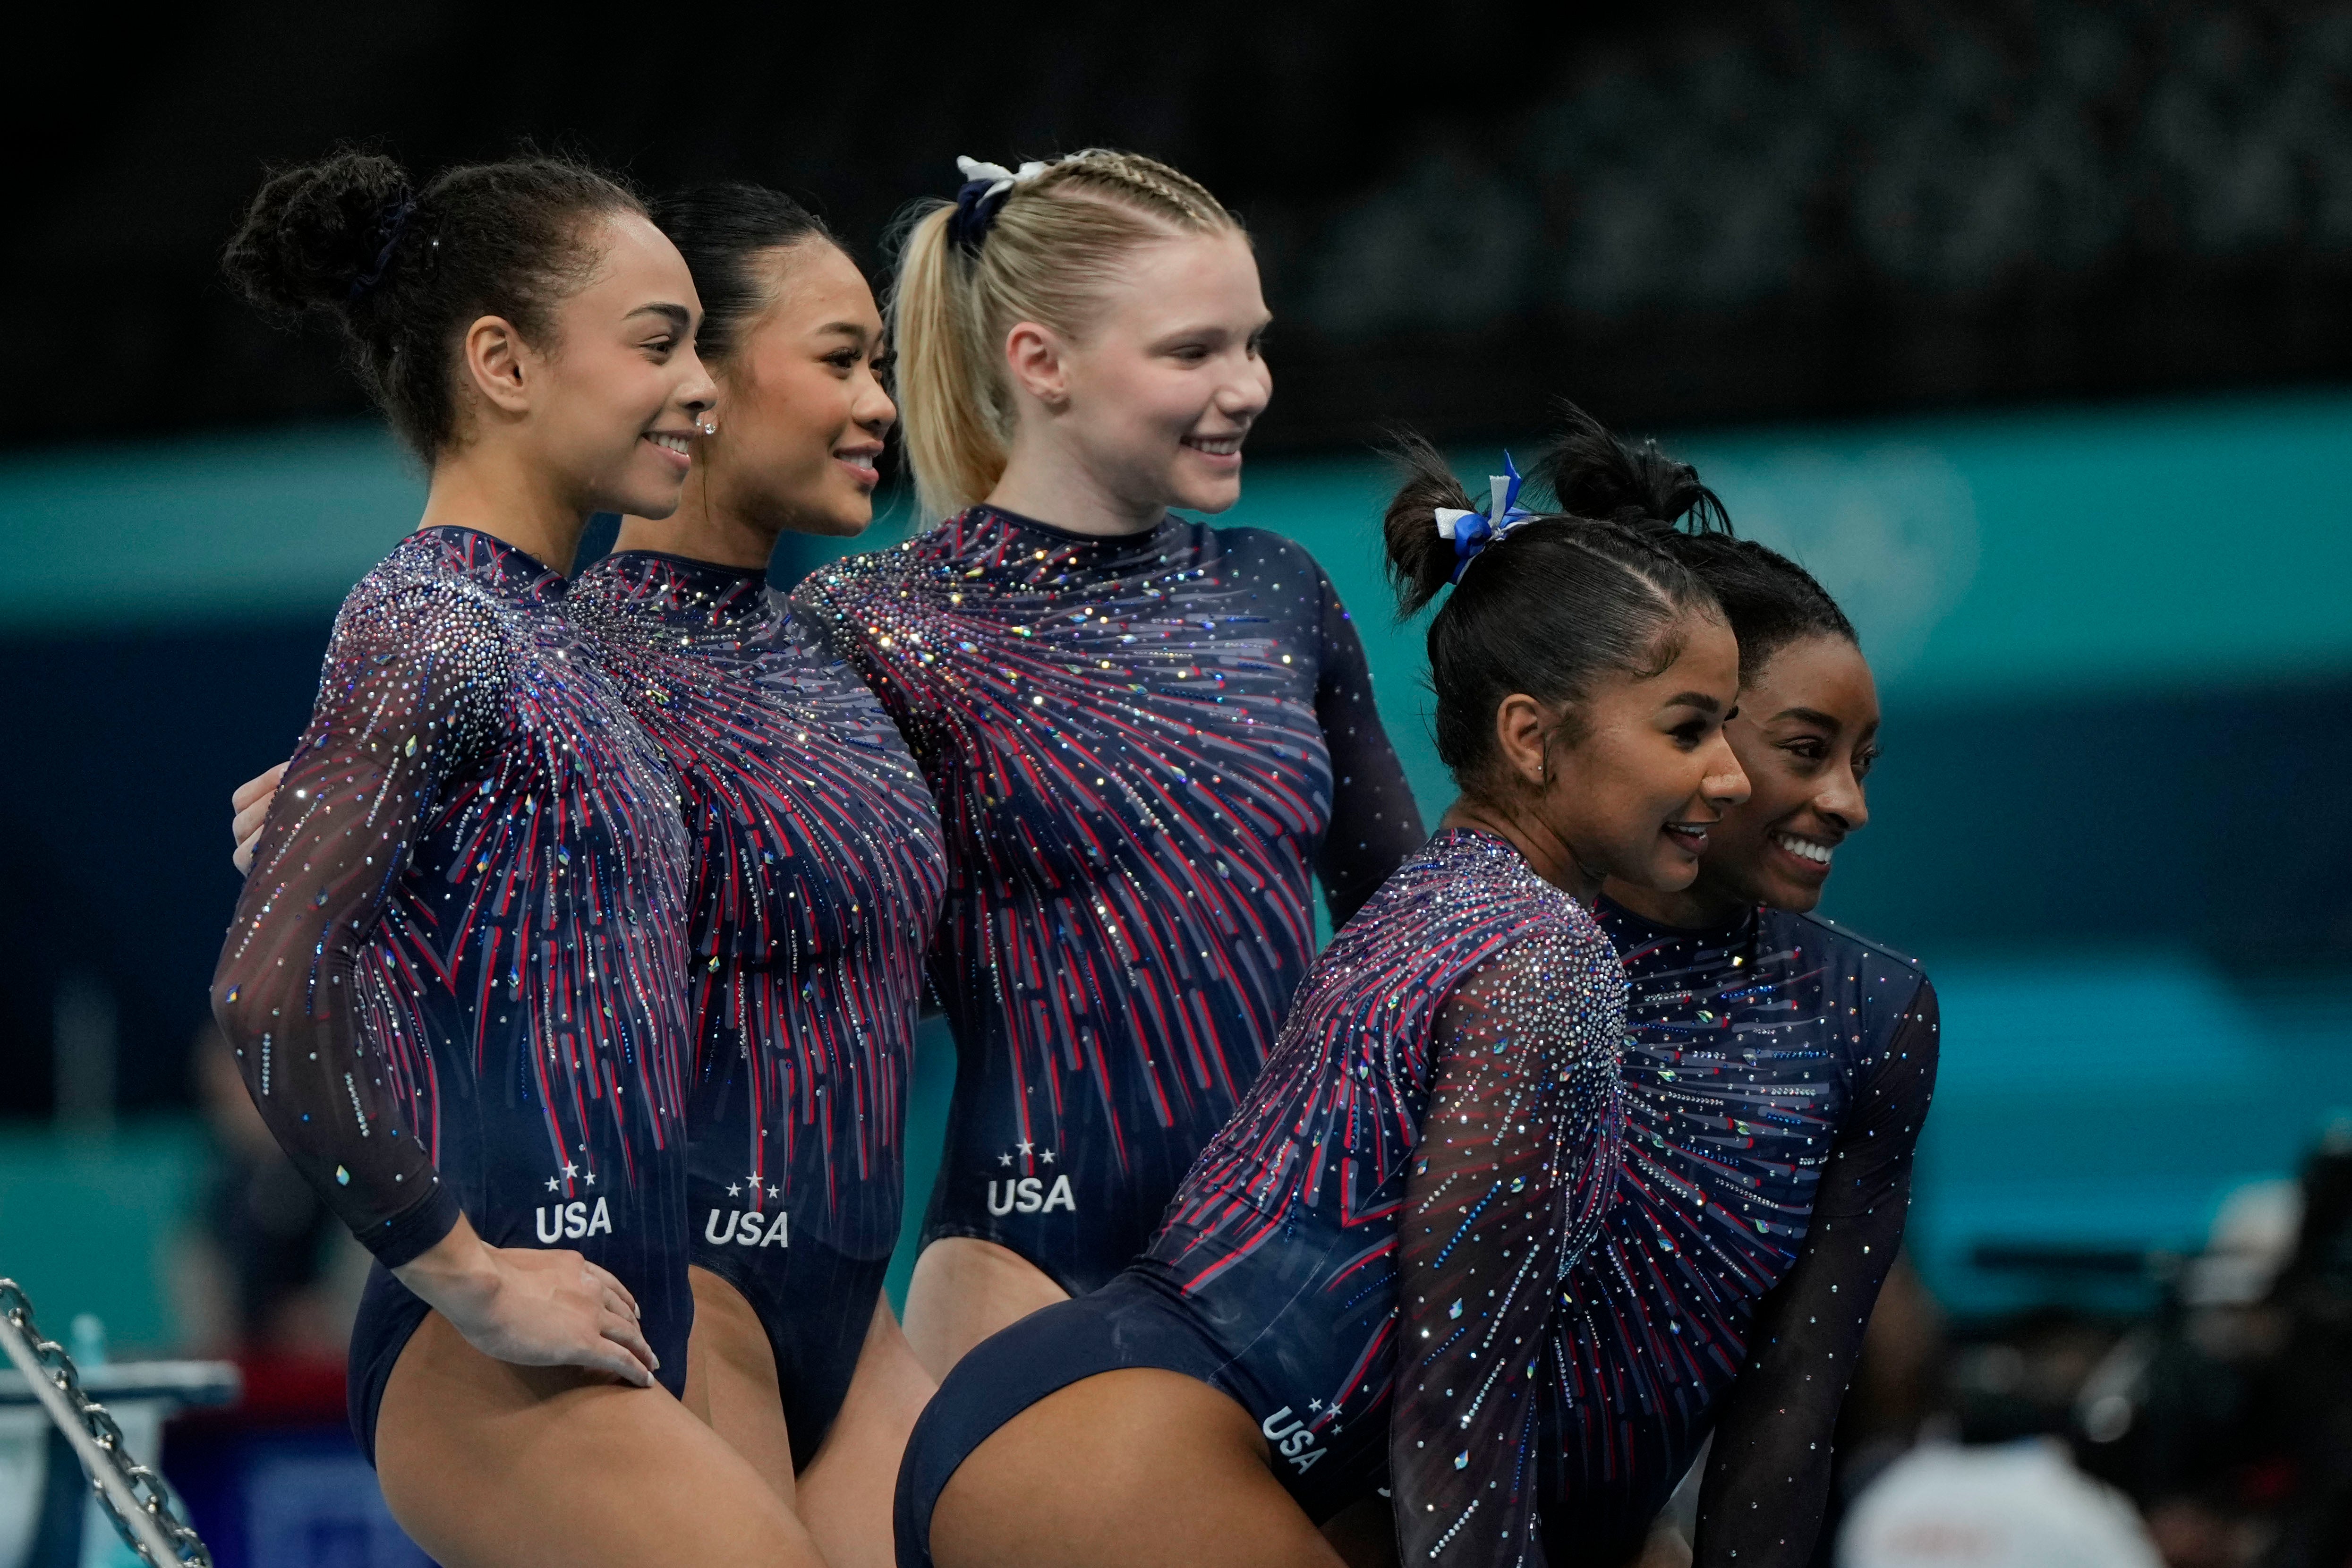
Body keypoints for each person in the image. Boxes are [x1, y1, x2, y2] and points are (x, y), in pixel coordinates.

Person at [893, 419, 1755, 1568]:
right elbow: (1460, 1395)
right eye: (1688, 729)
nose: (1731, 776)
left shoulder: (1433, 897)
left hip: (1065, 1414)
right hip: (1135, 1453)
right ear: (1532, 738)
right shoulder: (1545, 958)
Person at [210, 149, 820, 1568]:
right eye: (658, 343)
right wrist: (464, 1273)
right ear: (501, 360)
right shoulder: (435, 622)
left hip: (618, 1301)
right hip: (489, 1346)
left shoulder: (550, 640)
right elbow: (266, 992)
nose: (704, 388)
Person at [793, 151, 1425, 1378]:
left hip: (1296, 1254)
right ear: (1041, 363)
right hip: (1035, 1265)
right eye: (1193, 353)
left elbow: (1401, 934)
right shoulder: (877, 627)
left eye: (1252, 344)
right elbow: (793, 966)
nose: (1245, 387)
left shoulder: (1274, 592)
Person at [1554, 408, 1940, 1561]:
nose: (1847, 805)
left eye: (1863, 764)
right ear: (1694, 731)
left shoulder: (1869, 1014)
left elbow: (1793, 1400)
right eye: (1808, 749)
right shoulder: (1493, 951)